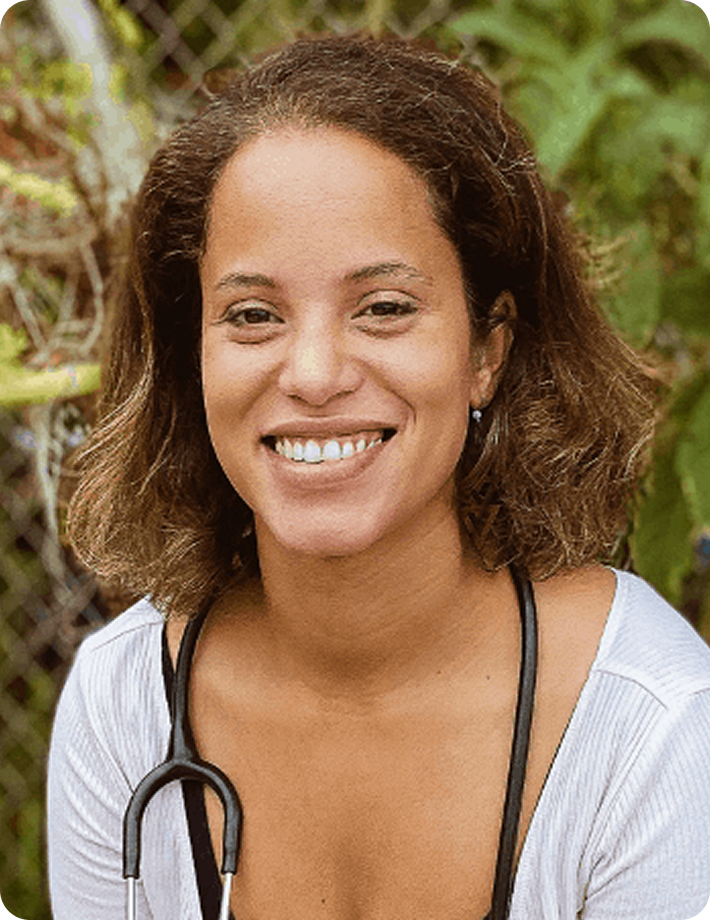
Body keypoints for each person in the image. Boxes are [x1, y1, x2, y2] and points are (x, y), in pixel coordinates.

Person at [47, 32, 710, 920]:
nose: (314, 374)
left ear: (487, 351)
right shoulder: (119, 706)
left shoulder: (652, 725)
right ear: (191, 356)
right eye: (253, 315)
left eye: (384, 308)